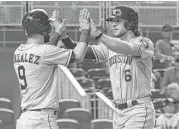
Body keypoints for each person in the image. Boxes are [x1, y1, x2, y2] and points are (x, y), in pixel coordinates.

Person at [62, 6, 155, 129]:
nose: (113, 25)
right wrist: (64, 37)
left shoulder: (144, 42)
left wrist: (98, 35)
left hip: (138, 109)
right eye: (112, 21)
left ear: (130, 23)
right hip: (118, 112)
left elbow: (128, 48)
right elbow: (79, 50)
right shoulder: (109, 47)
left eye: (118, 21)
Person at [14, 8, 90, 129]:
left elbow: (44, 53)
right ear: (44, 28)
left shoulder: (18, 51)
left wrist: (59, 34)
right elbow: (79, 55)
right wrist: (85, 30)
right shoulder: (45, 52)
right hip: (42, 119)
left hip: (24, 120)